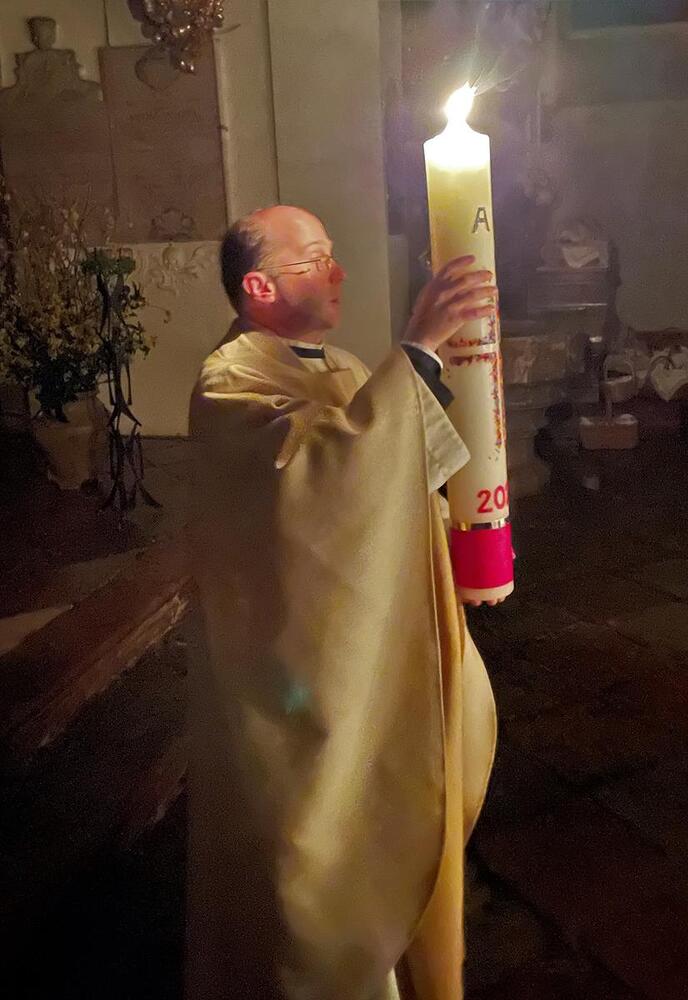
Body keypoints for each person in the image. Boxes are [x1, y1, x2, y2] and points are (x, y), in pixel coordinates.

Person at [188, 205, 497, 1000]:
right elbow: (312, 485)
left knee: (399, 802)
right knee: (316, 867)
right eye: (316, 258)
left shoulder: (349, 368)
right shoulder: (230, 380)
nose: (338, 272)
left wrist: (470, 541)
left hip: (368, 655)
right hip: (296, 679)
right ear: (259, 286)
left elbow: (403, 483)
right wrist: (417, 354)